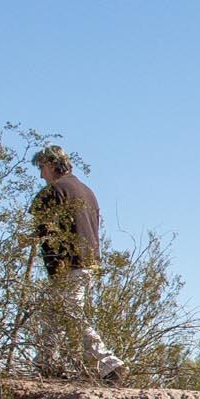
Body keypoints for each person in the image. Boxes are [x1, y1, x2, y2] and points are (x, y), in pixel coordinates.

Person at [28, 145, 125, 382]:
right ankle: (46, 365)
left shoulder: (55, 191)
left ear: (50, 165)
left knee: (69, 313)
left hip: (67, 264)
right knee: (52, 314)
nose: (41, 175)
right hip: (86, 262)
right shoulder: (86, 191)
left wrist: (27, 240)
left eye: (41, 168)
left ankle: (108, 364)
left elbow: (40, 228)